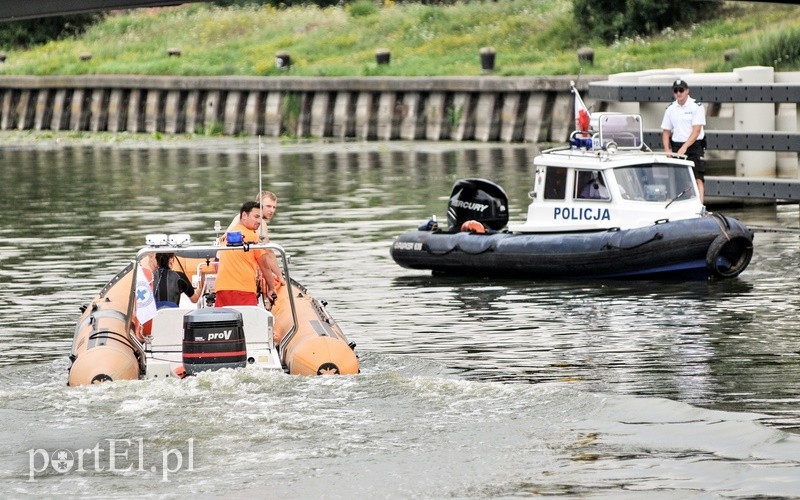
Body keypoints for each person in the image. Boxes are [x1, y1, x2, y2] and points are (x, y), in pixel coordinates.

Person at [215, 201, 283, 307]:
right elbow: (264, 265)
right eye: (256, 217)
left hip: (222, 289)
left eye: (260, 218)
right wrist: (272, 288)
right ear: (244, 215)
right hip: (243, 290)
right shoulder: (253, 237)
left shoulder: (228, 235)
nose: (259, 221)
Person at [661, 79, 706, 202]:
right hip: (677, 146)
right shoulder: (670, 108)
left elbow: (696, 130)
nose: (678, 93)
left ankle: (700, 206)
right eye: (676, 91)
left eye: (681, 90)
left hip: (693, 146)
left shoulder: (696, 106)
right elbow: (666, 131)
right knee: (677, 180)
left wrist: (685, 147)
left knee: (698, 178)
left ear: (687, 91)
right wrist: (667, 150)